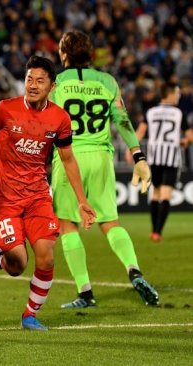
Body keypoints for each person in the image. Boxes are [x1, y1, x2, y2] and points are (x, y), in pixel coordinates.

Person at [0, 56, 96, 331]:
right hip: (5, 198)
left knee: (46, 256)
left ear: (52, 86)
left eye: (40, 81)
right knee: (18, 264)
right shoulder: (4, 110)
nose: (32, 85)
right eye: (29, 79)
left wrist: (82, 201)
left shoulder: (59, 118)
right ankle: (2, 251)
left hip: (37, 197)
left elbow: (67, 159)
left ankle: (30, 315)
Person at [50, 30, 160, 309]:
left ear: (63, 54)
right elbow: (123, 121)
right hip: (101, 157)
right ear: (90, 54)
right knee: (110, 222)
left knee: (67, 224)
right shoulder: (107, 82)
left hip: (68, 157)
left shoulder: (56, 83)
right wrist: (139, 157)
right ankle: (133, 269)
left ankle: (85, 293)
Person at [136, 82, 193, 241]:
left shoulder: (150, 112)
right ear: (169, 94)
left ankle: (153, 230)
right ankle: (158, 232)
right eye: (177, 93)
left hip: (154, 158)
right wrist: (185, 142)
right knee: (166, 195)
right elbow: (190, 137)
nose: (178, 96)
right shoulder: (179, 113)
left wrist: (131, 151)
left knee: (155, 194)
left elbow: (139, 133)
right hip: (171, 159)